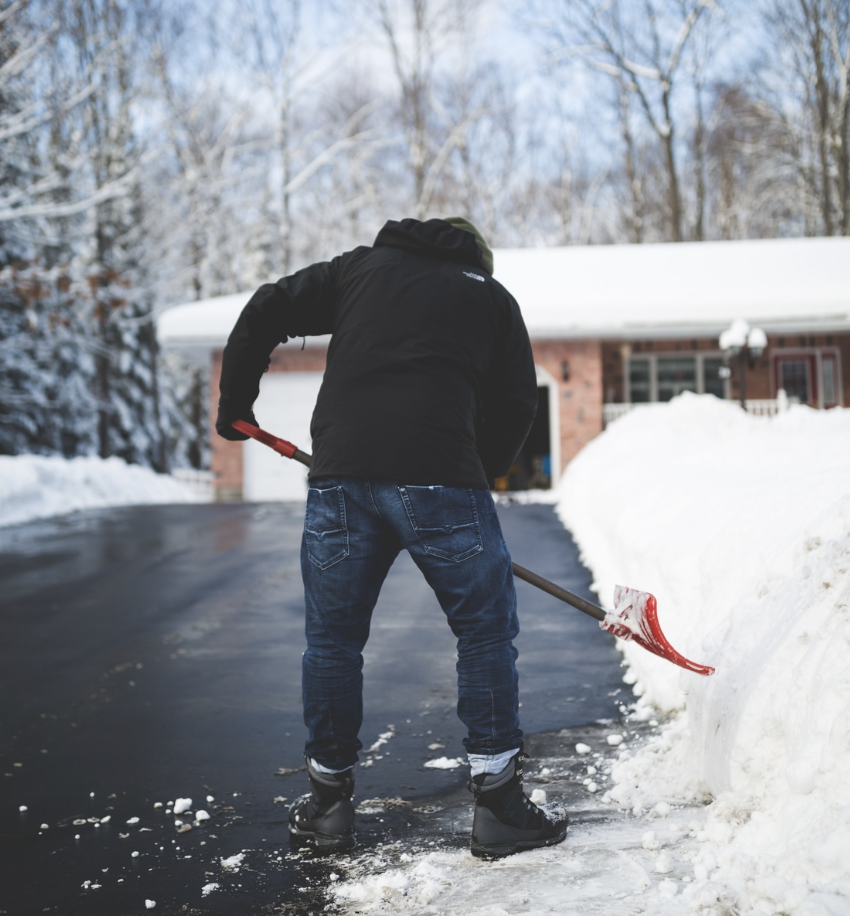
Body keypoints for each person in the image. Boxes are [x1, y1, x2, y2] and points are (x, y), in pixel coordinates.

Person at [216, 217, 568, 858]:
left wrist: (235, 400)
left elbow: (267, 306)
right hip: (442, 476)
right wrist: (474, 472)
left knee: (332, 642)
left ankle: (327, 806)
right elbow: (518, 400)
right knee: (484, 634)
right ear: (477, 259)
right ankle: (499, 808)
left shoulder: (357, 271)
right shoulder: (491, 298)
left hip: (342, 477)